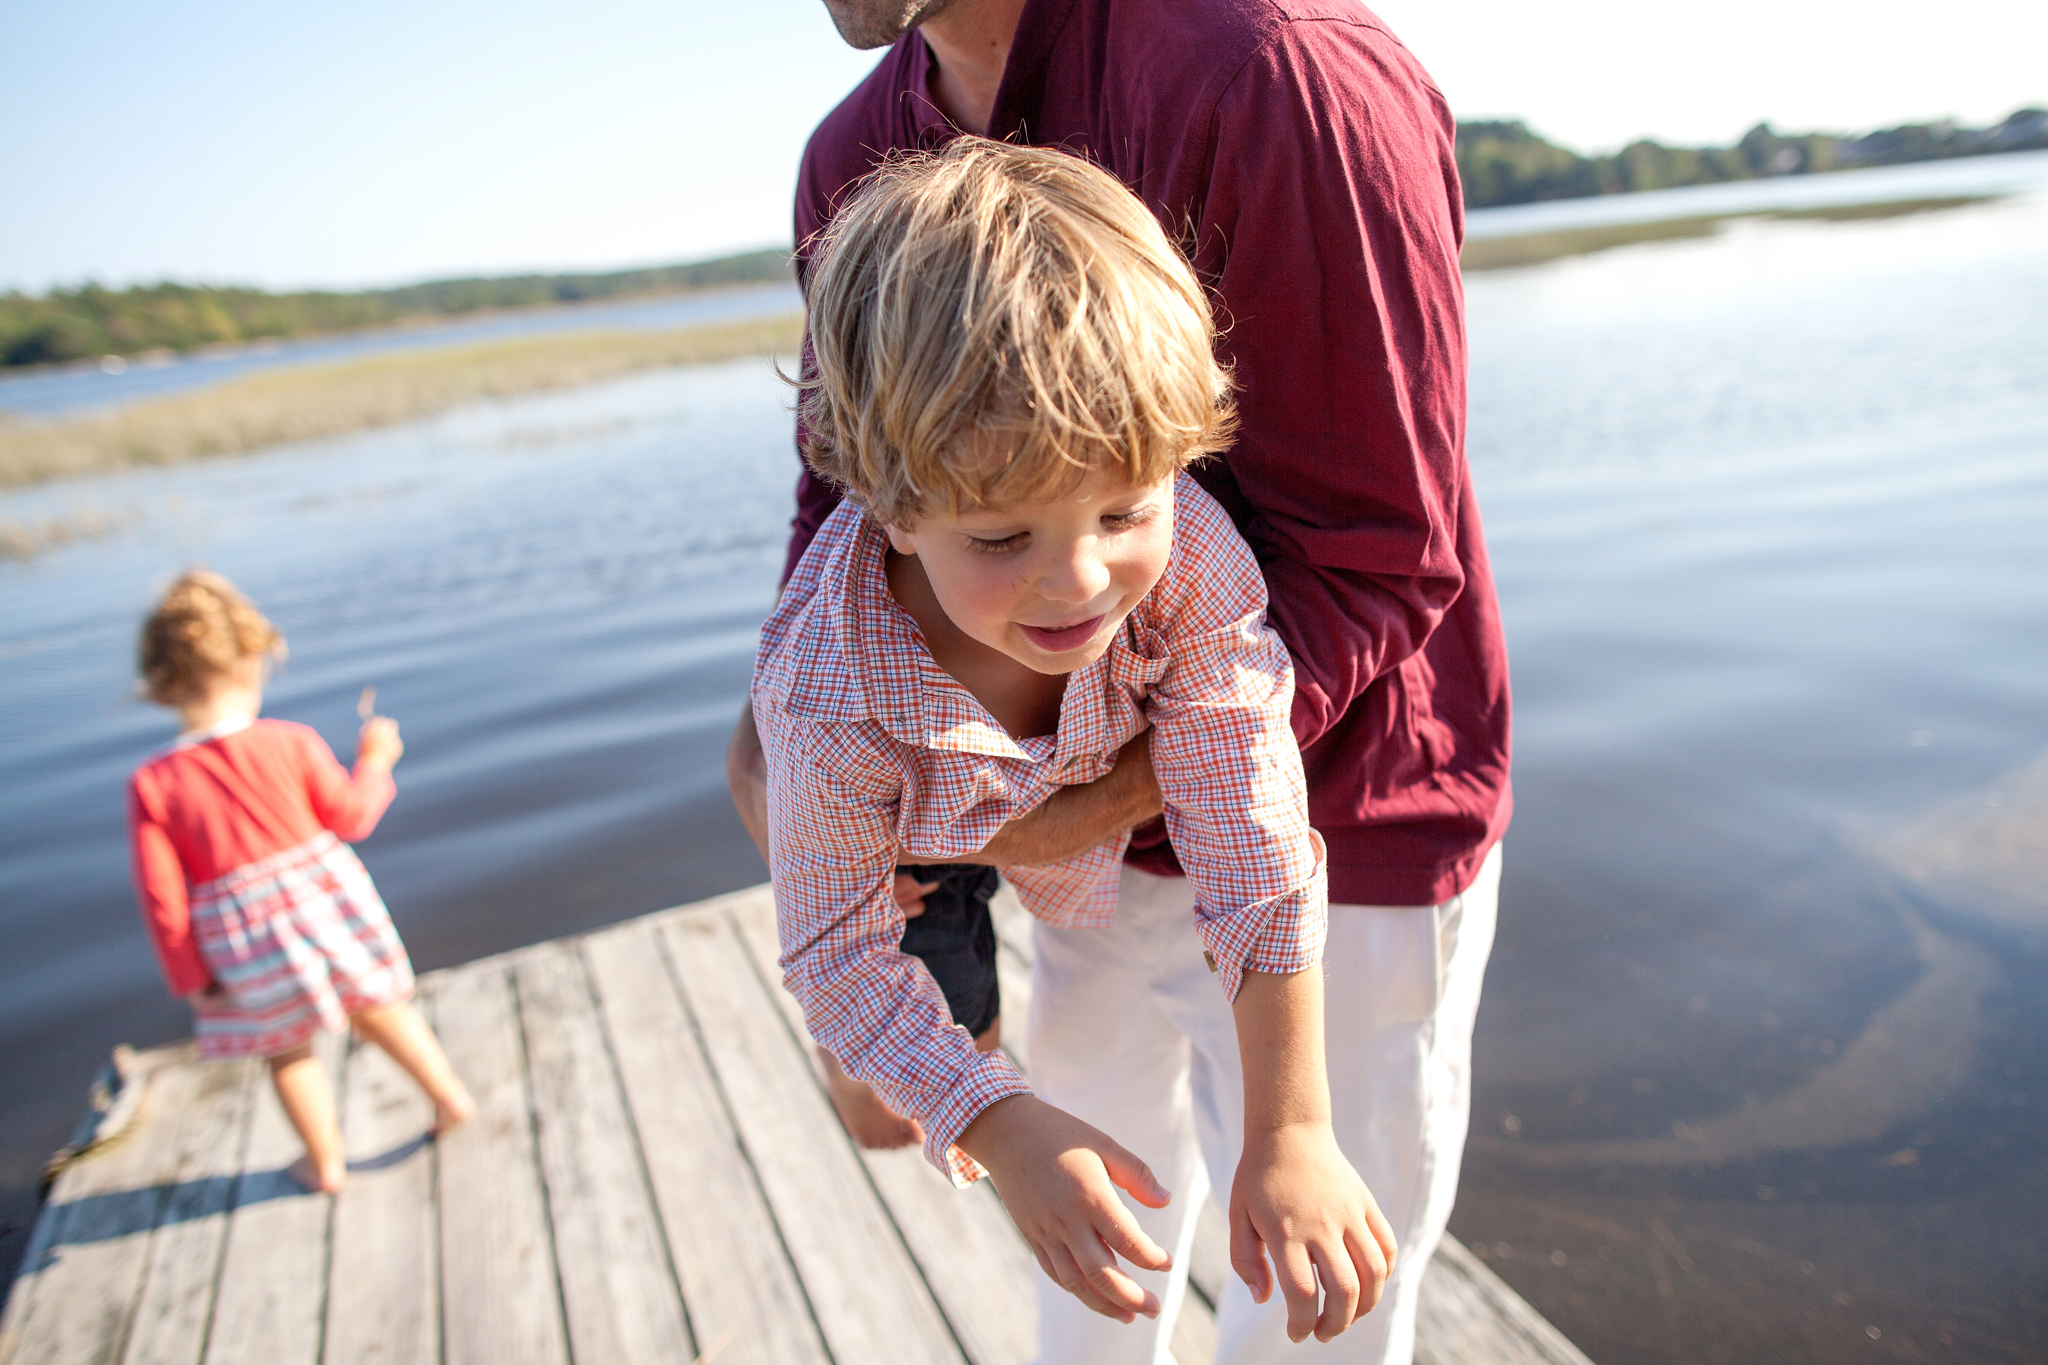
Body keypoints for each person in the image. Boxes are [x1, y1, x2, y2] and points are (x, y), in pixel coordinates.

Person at [730, 3, 1513, 1361]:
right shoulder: (850, 162)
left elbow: (1377, 562)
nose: (1087, 577)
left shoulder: (1267, 72)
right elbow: (831, 498)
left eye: (1121, 514)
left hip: (1343, 824)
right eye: (1004, 532)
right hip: (1057, 843)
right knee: (1094, 1268)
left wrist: (1292, 1121)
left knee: (1317, 1302)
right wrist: (785, 765)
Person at [127, 570, 473, 1194]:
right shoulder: (291, 741)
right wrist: (375, 760)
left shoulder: (153, 783)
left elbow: (162, 899)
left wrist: (192, 978)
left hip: (242, 942)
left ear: (159, 685)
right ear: (253, 660)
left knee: (287, 1050)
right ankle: (448, 1099)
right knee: (380, 1007)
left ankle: (325, 1162)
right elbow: (354, 816)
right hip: (328, 909)